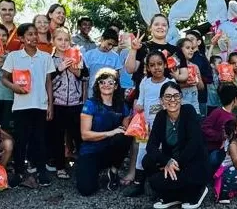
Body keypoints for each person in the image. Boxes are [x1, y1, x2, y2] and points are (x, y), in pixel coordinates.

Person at [0, 23, 56, 188]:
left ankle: (41, 171)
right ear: (21, 38)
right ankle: (19, 171)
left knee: (39, 139)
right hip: (21, 106)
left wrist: (50, 105)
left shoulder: (45, 57)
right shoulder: (14, 57)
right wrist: (14, 87)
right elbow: (4, 78)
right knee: (21, 139)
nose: (33, 38)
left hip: (40, 105)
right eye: (29, 35)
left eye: (35, 34)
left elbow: (48, 82)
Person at [142, 82, 209, 209]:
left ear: (181, 98)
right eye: (167, 96)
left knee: (160, 181)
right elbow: (151, 146)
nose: (172, 100)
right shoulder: (161, 116)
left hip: (191, 162)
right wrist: (166, 161)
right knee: (148, 162)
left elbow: (194, 144)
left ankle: (198, 190)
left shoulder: (188, 111)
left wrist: (175, 163)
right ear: (161, 100)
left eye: (176, 96)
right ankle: (173, 196)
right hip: (173, 161)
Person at [124, 51, 176, 197]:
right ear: (147, 67)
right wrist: (139, 106)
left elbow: (174, 105)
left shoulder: (169, 83)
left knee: (161, 154)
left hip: (164, 126)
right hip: (146, 127)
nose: (156, 68)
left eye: (160, 64)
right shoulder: (145, 82)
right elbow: (140, 100)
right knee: (142, 152)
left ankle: (158, 185)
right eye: (152, 65)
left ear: (165, 65)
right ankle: (139, 184)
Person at [76, 68, 133, 196]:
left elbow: (126, 130)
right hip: (90, 152)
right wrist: (110, 132)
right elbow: (85, 135)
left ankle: (113, 170)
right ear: (97, 85)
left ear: (116, 86)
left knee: (124, 137)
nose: (106, 85)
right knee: (86, 190)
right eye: (102, 82)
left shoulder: (122, 105)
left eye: (110, 82)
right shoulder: (91, 104)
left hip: (109, 150)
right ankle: (94, 171)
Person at [47, 27, 89, 179]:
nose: (63, 43)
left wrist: (77, 71)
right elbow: (46, 81)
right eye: (59, 39)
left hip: (75, 104)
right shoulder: (50, 60)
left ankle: (83, 165)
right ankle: (60, 167)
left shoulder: (77, 56)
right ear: (53, 41)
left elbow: (85, 77)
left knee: (78, 136)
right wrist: (59, 69)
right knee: (57, 137)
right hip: (57, 104)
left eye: (66, 40)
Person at [124, 14, 189, 90]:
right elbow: (130, 70)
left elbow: (185, 75)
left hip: (169, 97)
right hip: (144, 96)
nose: (160, 27)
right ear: (150, 28)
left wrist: (177, 77)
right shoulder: (142, 47)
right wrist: (133, 49)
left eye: (164, 25)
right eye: (156, 24)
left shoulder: (176, 50)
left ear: (168, 28)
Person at [202, 85, 237, 178]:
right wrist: (220, 136)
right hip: (214, 150)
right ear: (235, 99)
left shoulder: (234, 117)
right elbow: (204, 128)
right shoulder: (217, 112)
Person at [84, 28, 123, 97]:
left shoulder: (115, 57)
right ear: (102, 39)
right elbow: (85, 78)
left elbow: (117, 78)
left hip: (109, 95)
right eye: (109, 44)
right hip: (91, 94)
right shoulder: (89, 55)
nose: (110, 47)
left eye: (113, 46)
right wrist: (84, 96)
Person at [184, 30, 213, 115]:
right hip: (184, 98)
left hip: (200, 98)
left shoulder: (202, 59)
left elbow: (209, 79)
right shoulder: (181, 59)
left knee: (200, 124)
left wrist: (197, 77)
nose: (188, 42)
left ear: (199, 42)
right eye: (186, 40)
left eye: (191, 39)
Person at [177, 38, 205, 114]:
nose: (191, 50)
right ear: (180, 50)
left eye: (192, 48)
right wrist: (186, 84)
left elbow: (201, 87)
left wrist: (197, 78)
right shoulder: (176, 66)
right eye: (187, 48)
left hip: (195, 106)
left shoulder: (195, 66)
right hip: (180, 107)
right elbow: (171, 86)